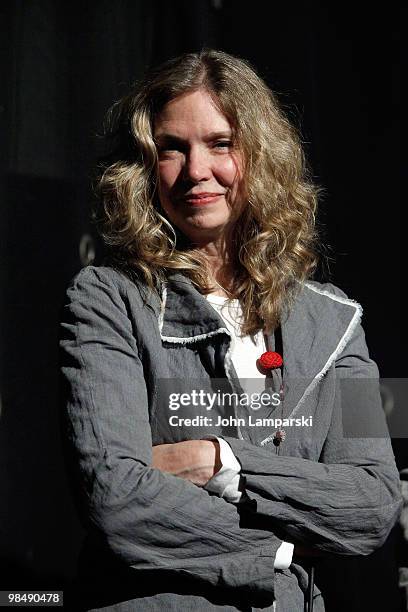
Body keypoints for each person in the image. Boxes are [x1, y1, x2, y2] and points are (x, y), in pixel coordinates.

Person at [59, 49, 402, 612]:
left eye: (221, 144)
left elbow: (374, 502)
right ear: (144, 167)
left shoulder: (339, 320)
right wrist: (282, 548)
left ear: (260, 155)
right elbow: (114, 498)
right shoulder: (105, 299)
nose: (197, 171)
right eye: (172, 148)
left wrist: (221, 463)